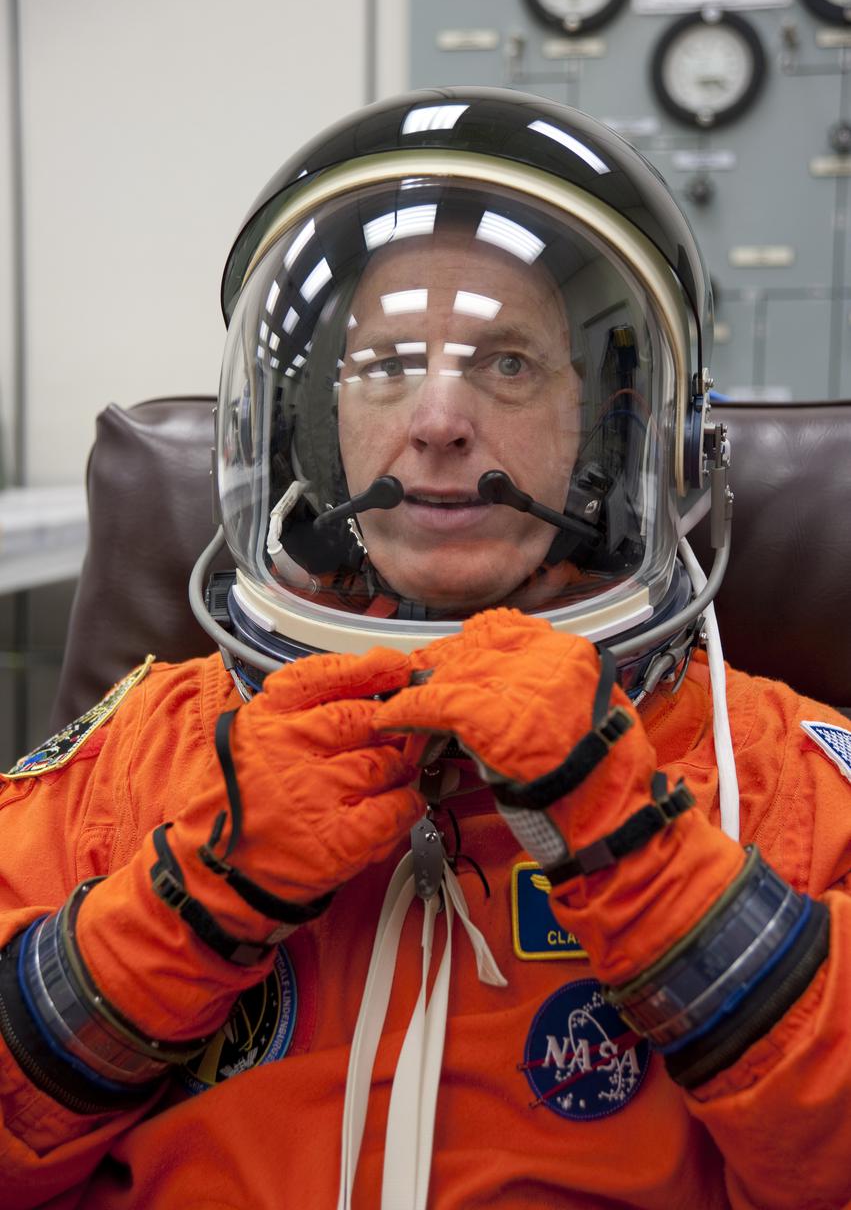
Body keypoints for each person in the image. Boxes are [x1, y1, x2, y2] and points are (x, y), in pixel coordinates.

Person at [1, 86, 850, 1210]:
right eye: (387, 362)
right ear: (317, 423)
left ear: (610, 423)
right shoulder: (140, 761)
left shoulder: (774, 776)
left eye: (506, 365)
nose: (439, 418)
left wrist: (645, 857)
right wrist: (186, 901)